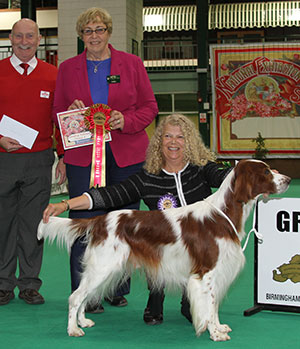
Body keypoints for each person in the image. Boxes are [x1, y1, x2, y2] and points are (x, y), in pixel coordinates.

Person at [43, 113, 232, 325]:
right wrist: (65, 204)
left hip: (196, 248)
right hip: (160, 249)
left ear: (189, 142)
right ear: (159, 141)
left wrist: (258, 176)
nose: (173, 142)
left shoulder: (202, 169)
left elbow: (229, 177)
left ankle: (190, 302)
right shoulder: (148, 176)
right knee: (154, 242)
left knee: (193, 306)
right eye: (168, 136)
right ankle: (155, 297)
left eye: (180, 137)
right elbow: (109, 195)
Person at [52, 7, 158, 313]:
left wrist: (124, 120)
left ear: (109, 32)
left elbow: (150, 107)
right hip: (83, 157)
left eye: (99, 30)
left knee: (123, 225)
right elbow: (57, 112)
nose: (94, 36)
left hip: (127, 157)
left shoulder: (132, 64)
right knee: (83, 224)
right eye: (88, 31)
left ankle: (116, 289)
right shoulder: (67, 68)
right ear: (81, 35)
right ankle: (86, 293)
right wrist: (70, 119)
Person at [0, 18, 65, 306]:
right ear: (10, 39)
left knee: (33, 224)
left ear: (39, 40)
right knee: (3, 224)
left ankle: (29, 283)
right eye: (18, 36)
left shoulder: (54, 75)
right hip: (4, 159)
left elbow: (60, 120)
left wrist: (63, 156)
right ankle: (3, 284)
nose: (24, 42)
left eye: (30, 36)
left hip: (39, 160)